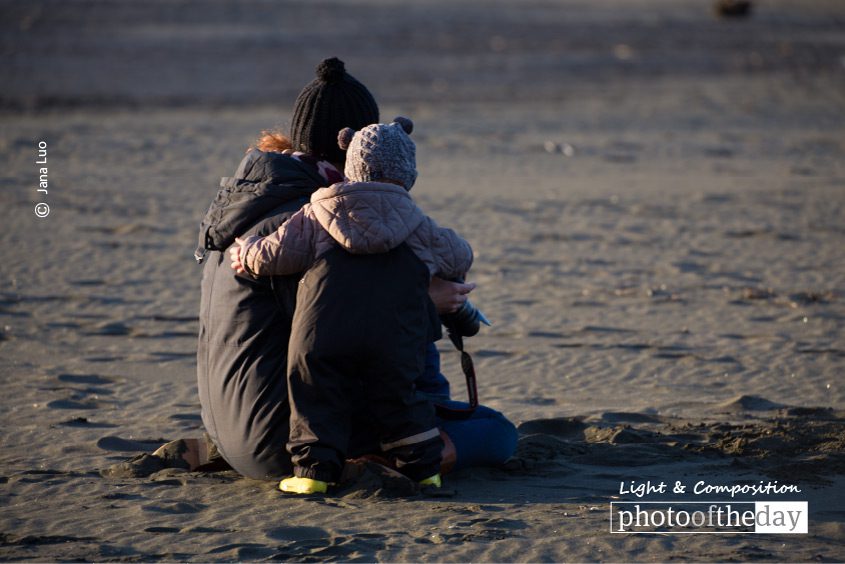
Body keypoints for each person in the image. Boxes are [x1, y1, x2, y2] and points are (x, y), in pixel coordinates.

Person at [182, 57, 516, 485]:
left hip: (231, 430)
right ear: (353, 147)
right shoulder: (313, 219)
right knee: (496, 433)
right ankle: (405, 457)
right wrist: (426, 299)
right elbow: (338, 318)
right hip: (293, 440)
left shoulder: (246, 204)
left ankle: (415, 427)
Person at [231, 117, 473, 493]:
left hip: (323, 331)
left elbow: (273, 255)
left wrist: (245, 253)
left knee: (315, 394)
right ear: (409, 174)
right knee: (400, 398)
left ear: (351, 165)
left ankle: (311, 475)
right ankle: (425, 470)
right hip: (394, 336)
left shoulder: (317, 213)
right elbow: (458, 256)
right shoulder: (418, 224)